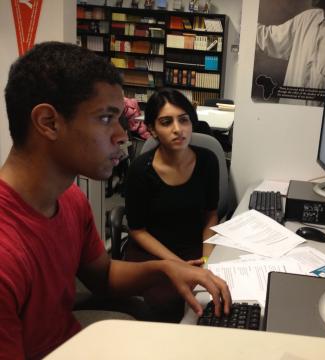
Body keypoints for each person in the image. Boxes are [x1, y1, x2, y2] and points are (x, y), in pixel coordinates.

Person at [0, 41, 231, 359]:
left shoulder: (70, 199)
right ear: (48, 123)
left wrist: (165, 269)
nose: (123, 135)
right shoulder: (6, 253)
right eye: (107, 119)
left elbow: (104, 276)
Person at [124, 88, 219, 322]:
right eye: (166, 122)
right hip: (152, 253)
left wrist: (206, 262)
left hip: (194, 248)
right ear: (153, 130)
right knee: (165, 304)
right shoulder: (139, 170)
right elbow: (137, 230)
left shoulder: (208, 161)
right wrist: (177, 265)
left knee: (209, 294)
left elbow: (211, 215)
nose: (178, 129)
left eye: (184, 120)